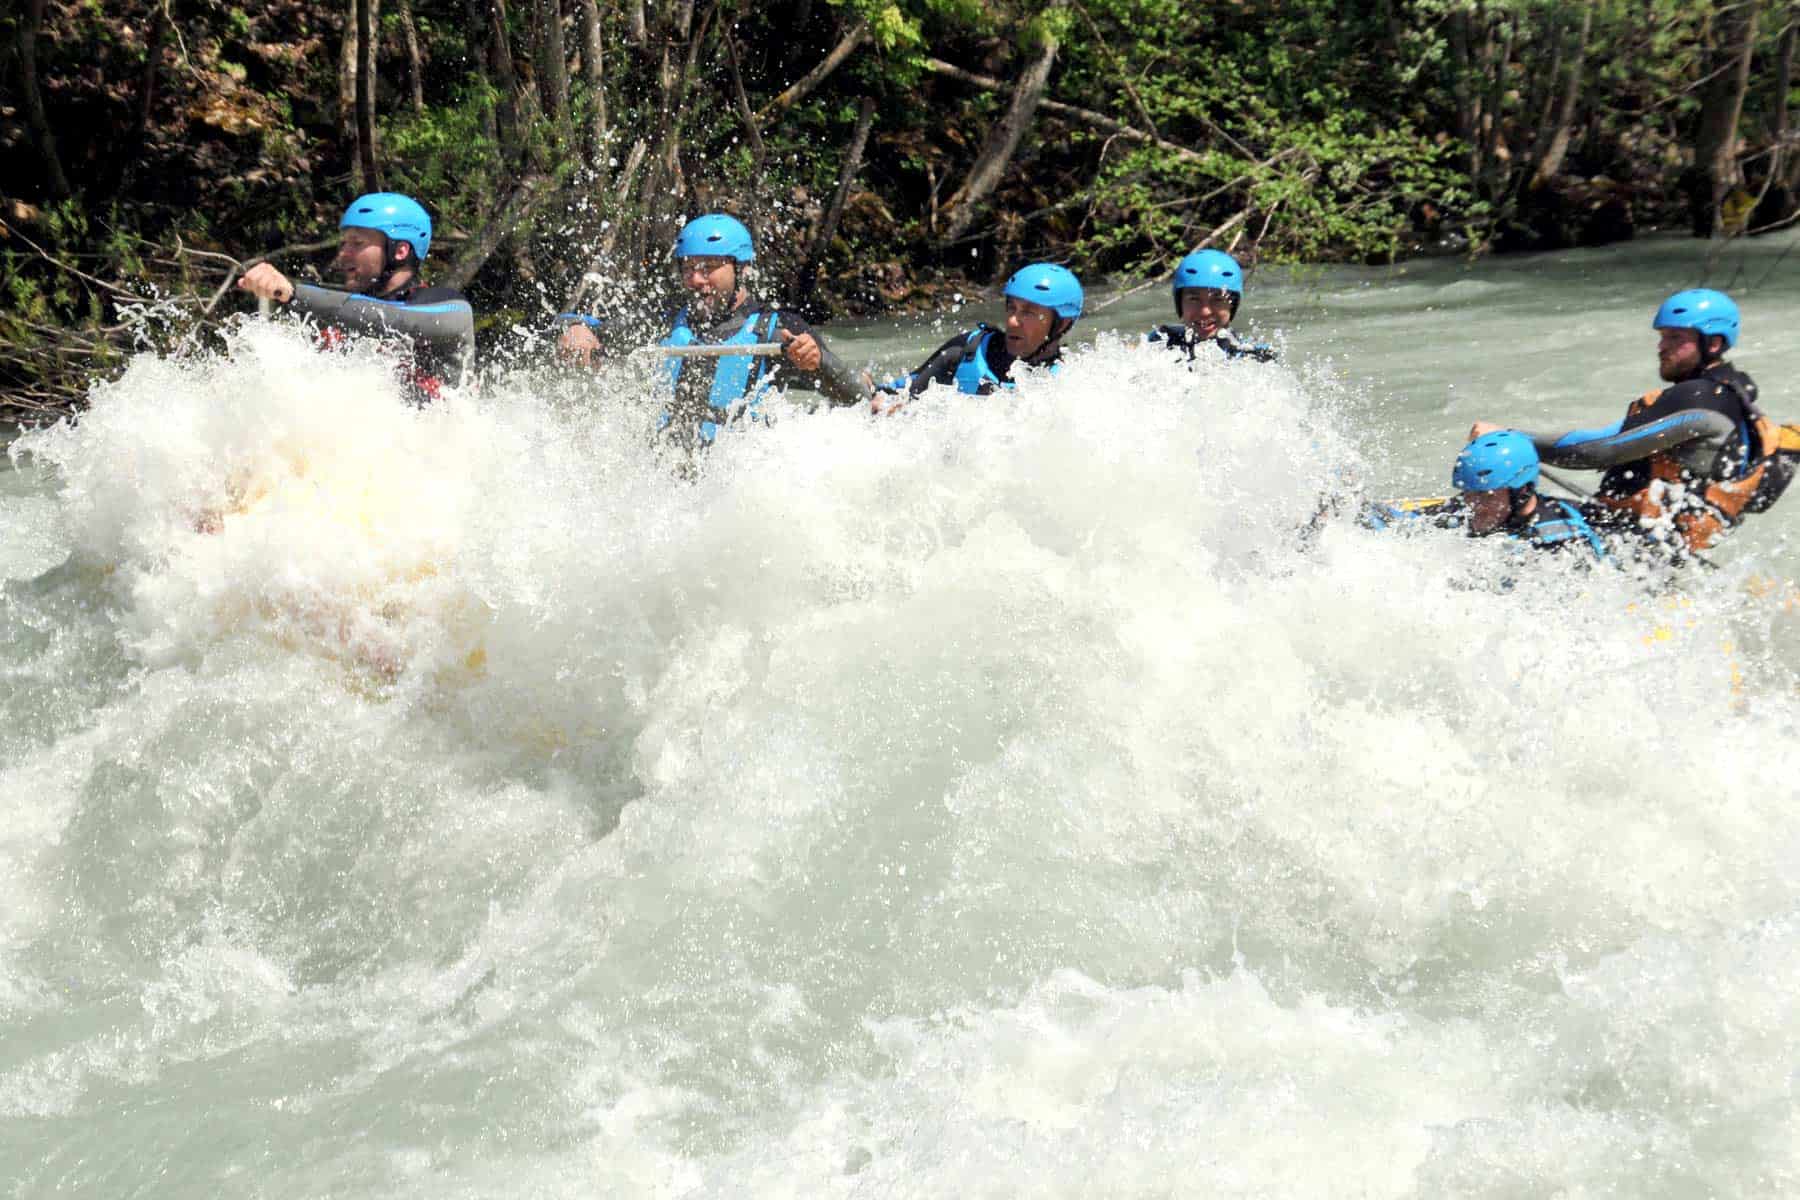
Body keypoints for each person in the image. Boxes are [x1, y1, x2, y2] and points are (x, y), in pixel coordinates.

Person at [1469, 288, 1781, 558]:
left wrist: (1511, 438)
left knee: (1516, 509)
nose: (1662, 347)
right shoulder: (1732, 391)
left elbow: (1600, 450)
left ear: (1713, 344)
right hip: (1653, 537)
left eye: (1676, 338)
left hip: (1638, 545)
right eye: (1662, 337)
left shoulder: (1701, 397)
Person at [556, 213, 869, 447]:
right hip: (664, 476)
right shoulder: (664, 320)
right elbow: (597, 331)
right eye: (689, 268)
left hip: (734, 482)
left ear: (741, 268)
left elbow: (854, 397)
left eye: (708, 267)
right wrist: (578, 329)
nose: (695, 280)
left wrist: (817, 363)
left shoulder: (778, 328)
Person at [235, 193, 475, 403]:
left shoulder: (451, 308)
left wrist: (293, 293)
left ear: (400, 251)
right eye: (343, 243)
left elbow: (396, 320)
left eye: (357, 243)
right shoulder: (341, 325)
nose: (343, 254)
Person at [1362, 431, 1614, 562]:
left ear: (1522, 491)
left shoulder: (1561, 537)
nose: (1474, 506)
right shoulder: (1467, 509)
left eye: (1487, 496)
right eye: (1468, 493)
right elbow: (1401, 524)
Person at [876, 263, 1082, 408]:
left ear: (1061, 324)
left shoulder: (1073, 382)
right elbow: (902, 390)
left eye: (1028, 312)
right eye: (1011, 308)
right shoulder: (967, 351)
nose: (1012, 321)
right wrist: (882, 397)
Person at [1147, 248, 1275, 363]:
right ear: (1180, 303)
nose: (1205, 311)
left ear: (1232, 306)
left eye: (1218, 299)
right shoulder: (1160, 340)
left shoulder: (1256, 357)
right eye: (1194, 299)